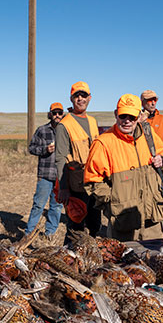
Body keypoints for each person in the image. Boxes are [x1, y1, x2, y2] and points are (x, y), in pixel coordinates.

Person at [85, 94, 163, 241]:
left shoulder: (149, 136)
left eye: (132, 117)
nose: (127, 121)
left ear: (139, 116)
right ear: (116, 114)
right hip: (122, 222)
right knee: (124, 263)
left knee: (155, 260)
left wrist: (161, 160)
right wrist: (113, 201)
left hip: (152, 221)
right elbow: (92, 181)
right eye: (123, 116)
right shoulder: (103, 143)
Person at [54, 81, 101, 239]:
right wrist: (63, 187)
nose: (80, 99)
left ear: (90, 98)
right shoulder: (64, 125)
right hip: (75, 185)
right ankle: (68, 260)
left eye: (84, 95)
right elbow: (60, 158)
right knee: (76, 227)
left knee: (95, 225)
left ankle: (91, 259)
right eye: (76, 96)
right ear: (71, 99)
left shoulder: (93, 121)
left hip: (94, 182)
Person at [24, 102, 65, 240]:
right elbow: (31, 148)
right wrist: (45, 150)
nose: (57, 115)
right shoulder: (42, 130)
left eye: (60, 112)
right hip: (45, 174)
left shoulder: (66, 130)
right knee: (38, 205)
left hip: (61, 175)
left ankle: (50, 233)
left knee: (57, 206)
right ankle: (29, 233)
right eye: (54, 113)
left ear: (63, 114)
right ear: (50, 114)